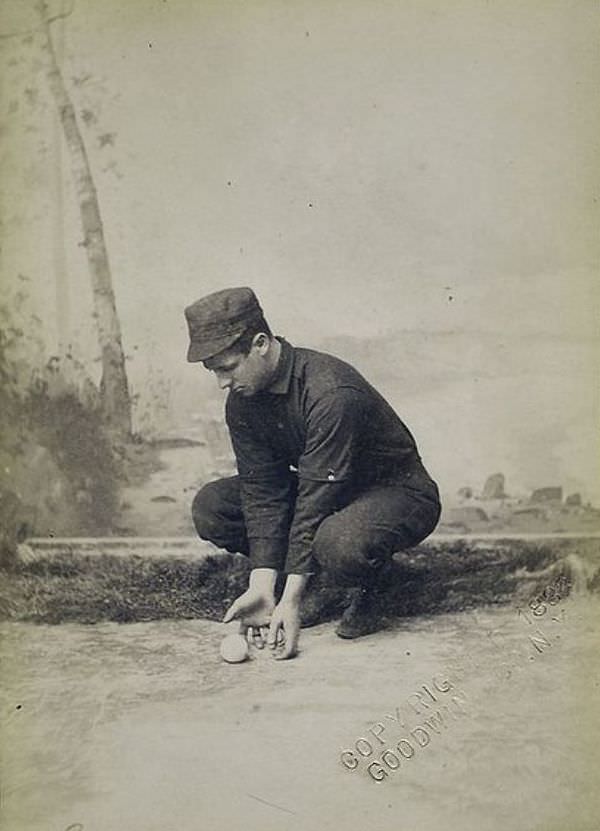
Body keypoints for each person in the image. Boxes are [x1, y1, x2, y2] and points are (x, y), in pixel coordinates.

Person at [186, 287, 441, 660]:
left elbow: (315, 501)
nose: (222, 383)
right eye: (215, 372)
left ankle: (378, 584)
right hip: (324, 491)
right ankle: (323, 578)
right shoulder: (243, 399)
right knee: (214, 506)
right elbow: (263, 490)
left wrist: (290, 600)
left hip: (397, 493)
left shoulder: (330, 391)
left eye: (227, 368)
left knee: (338, 542)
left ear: (260, 344)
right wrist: (262, 585)